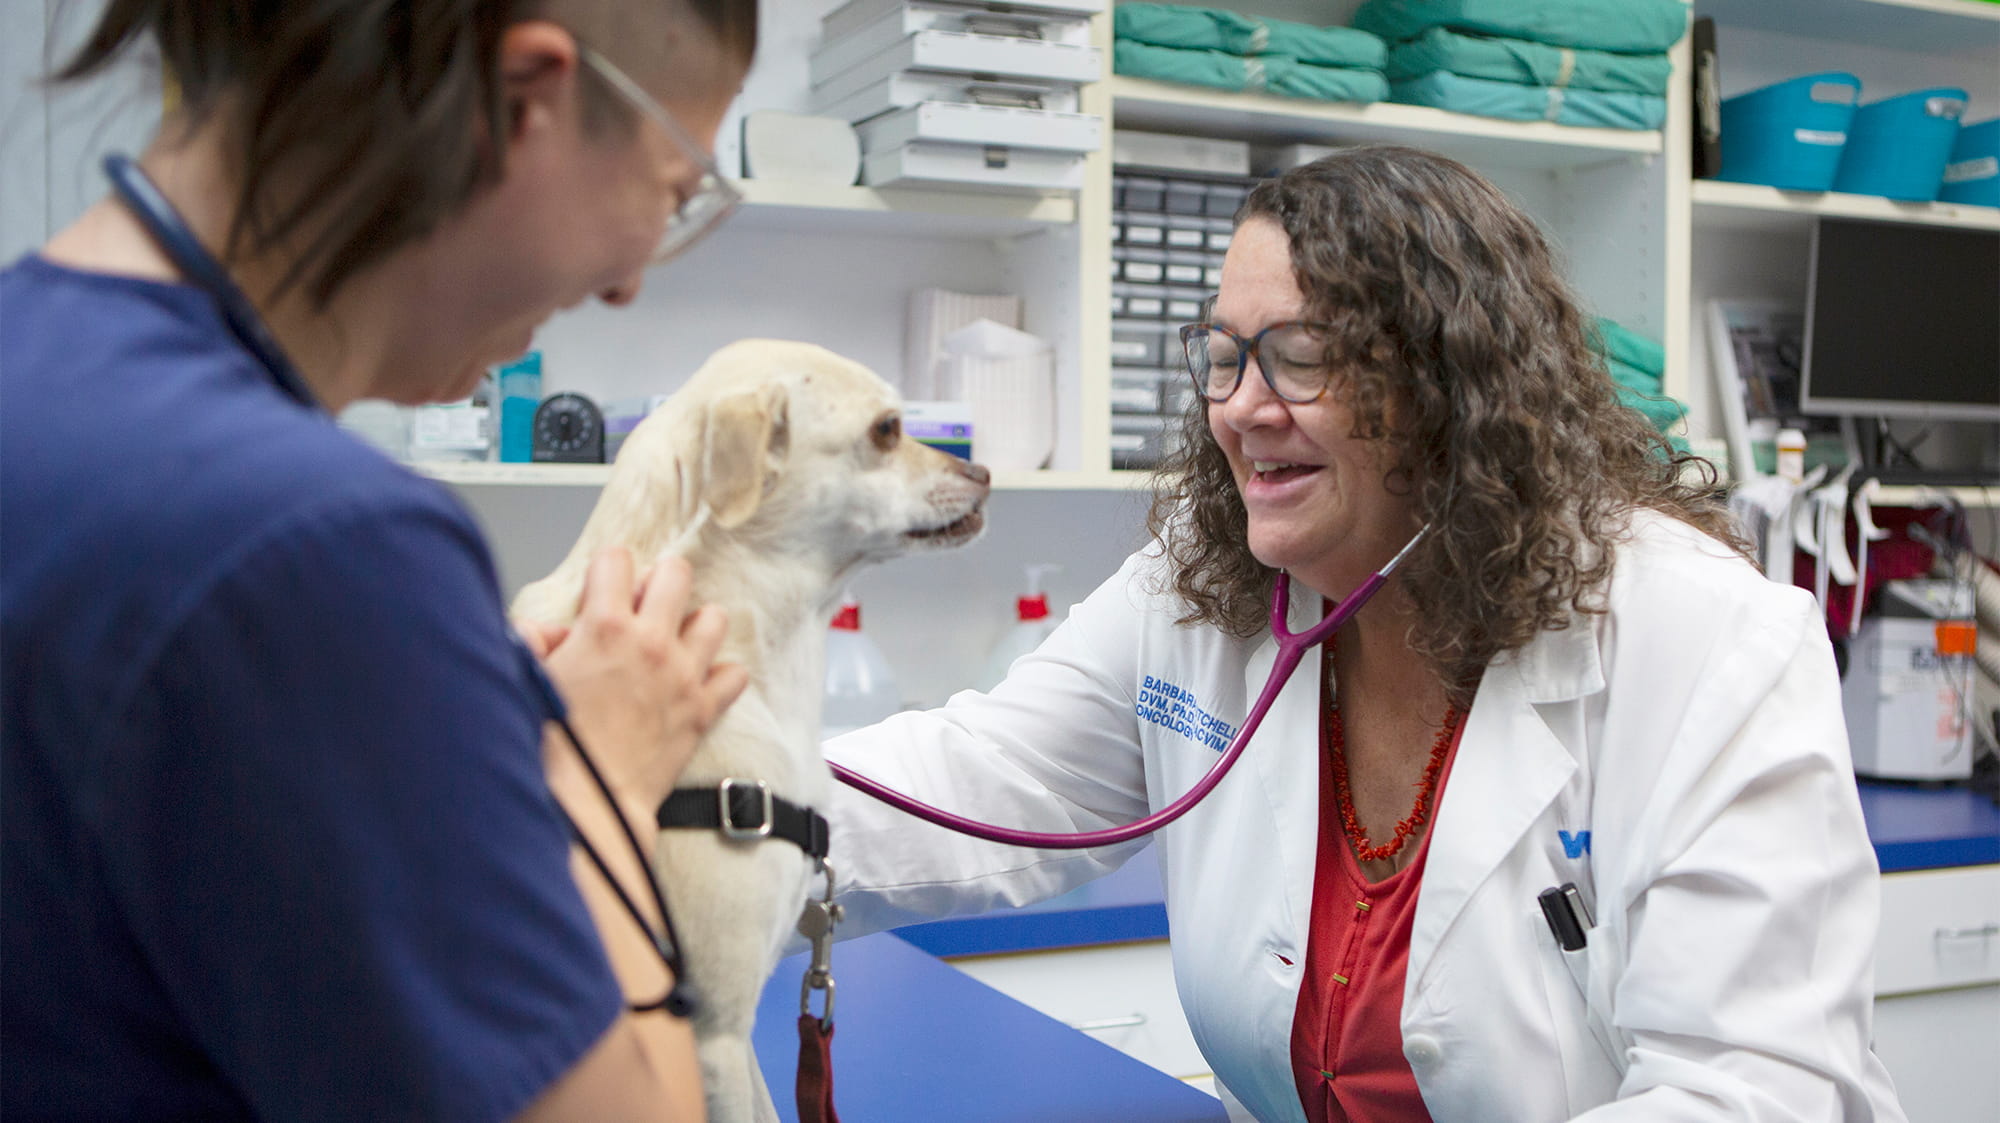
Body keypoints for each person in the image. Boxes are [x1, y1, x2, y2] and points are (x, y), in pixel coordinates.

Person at [820, 146, 1906, 1122]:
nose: (1243, 407)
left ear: (1455, 383)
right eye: (1225, 354)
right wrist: (721, 809)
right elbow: (980, 777)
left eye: (1301, 354)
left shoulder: (1704, 639)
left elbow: (1750, 1091)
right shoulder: (1204, 584)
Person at [1, 2, 758, 1119]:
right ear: (524, 99)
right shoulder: (321, 546)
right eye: (672, 189)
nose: (627, 283)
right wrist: (596, 777)